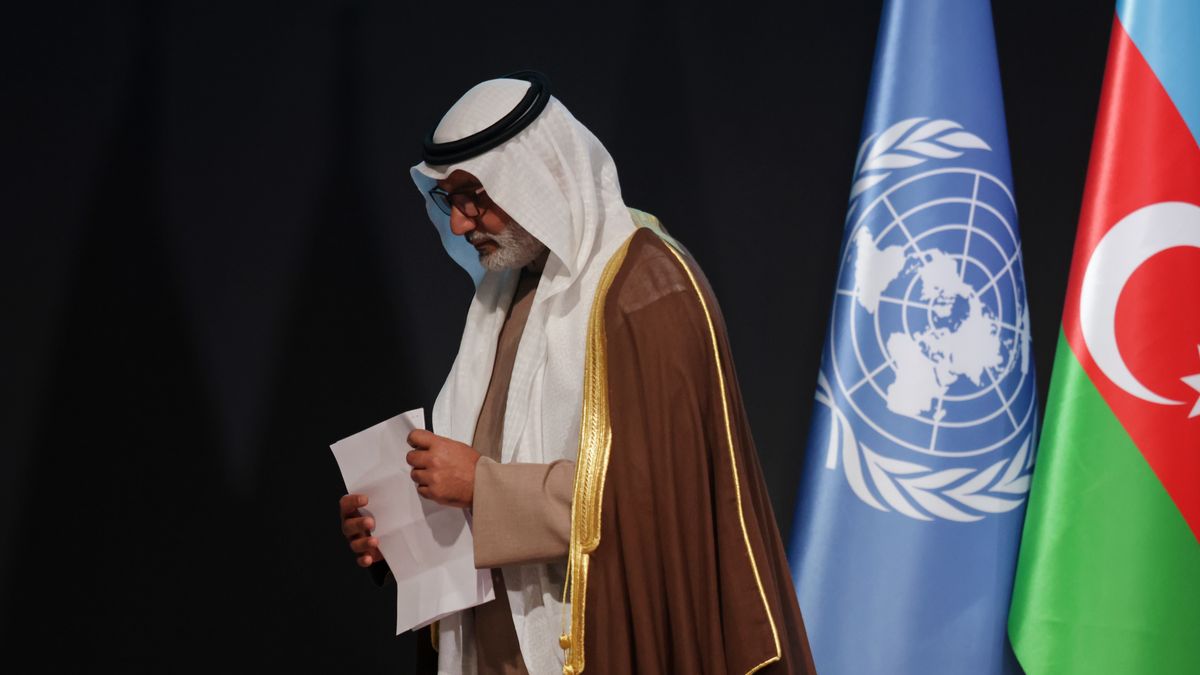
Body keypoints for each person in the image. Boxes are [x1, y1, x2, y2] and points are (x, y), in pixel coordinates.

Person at [339, 71, 815, 675]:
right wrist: (403, 529)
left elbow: (660, 499)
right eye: (448, 200)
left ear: (538, 174)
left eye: (474, 194)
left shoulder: (646, 290)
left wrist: (482, 487)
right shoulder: (503, 295)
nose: (459, 223)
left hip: (607, 642)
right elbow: (486, 463)